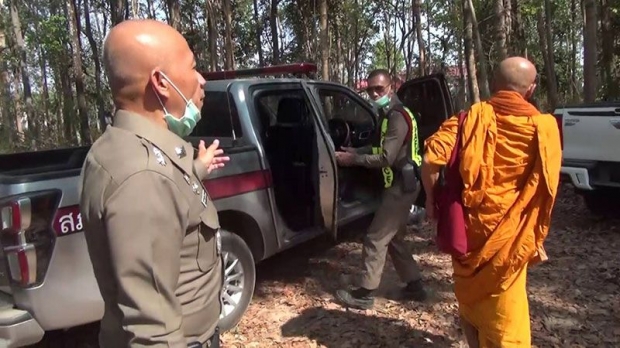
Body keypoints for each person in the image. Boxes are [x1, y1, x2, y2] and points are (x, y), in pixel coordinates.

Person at [79, 19, 229, 347]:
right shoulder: (145, 177)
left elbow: (169, 204)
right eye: (192, 67)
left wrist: (197, 169)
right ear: (161, 82)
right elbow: (153, 331)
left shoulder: (121, 147)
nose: (201, 79)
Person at [422, 56, 561, 347]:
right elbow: (546, 183)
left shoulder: (468, 119)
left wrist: (432, 202)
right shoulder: (544, 128)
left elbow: (431, 159)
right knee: (504, 311)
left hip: (470, 230)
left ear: (493, 83)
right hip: (510, 236)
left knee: (470, 296)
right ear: (531, 89)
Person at [334, 69, 427, 310]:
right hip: (402, 182)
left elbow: (386, 157)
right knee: (394, 237)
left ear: (392, 86)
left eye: (380, 89)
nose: (375, 93)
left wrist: (351, 160)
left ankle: (365, 293)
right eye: (371, 89)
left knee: (375, 237)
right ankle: (415, 285)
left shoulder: (396, 116)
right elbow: (378, 148)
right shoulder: (389, 114)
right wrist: (356, 151)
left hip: (401, 186)